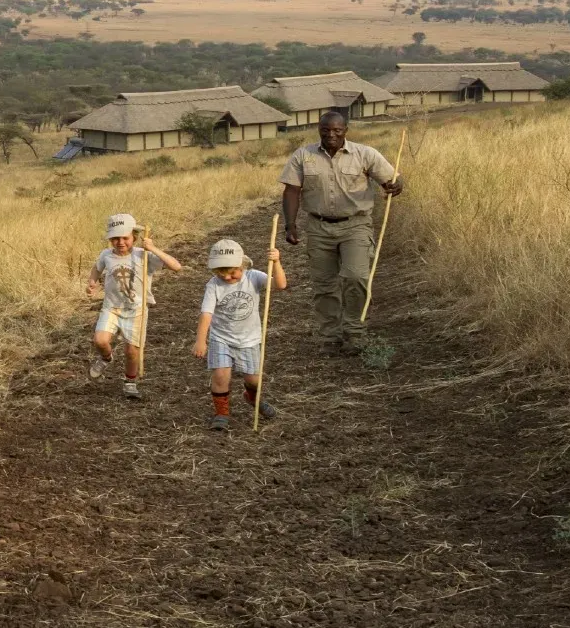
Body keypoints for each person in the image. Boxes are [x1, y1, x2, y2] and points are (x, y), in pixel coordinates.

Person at [278, 111, 403, 352]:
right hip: (318, 227)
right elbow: (292, 190)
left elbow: (392, 179)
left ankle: (354, 332)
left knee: (356, 277)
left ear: (346, 130)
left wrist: (396, 185)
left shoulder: (365, 154)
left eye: (337, 130)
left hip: (356, 224)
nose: (331, 135)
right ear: (319, 129)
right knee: (324, 284)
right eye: (326, 130)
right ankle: (330, 336)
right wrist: (290, 224)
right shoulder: (303, 156)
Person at [86, 213, 183, 400]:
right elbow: (96, 269)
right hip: (111, 307)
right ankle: (106, 358)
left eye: (125, 238)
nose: (120, 242)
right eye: (115, 238)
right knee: (100, 341)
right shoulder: (106, 255)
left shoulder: (143, 255)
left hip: (136, 310)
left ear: (135, 238)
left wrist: (153, 248)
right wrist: (92, 282)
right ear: (110, 240)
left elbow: (176, 266)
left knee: (132, 351)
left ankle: (130, 381)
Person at [194, 239, 287, 431]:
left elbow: (280, 285)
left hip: (249, 339)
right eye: (222, 272)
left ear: (242, 264)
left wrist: (276, 262)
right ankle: (221, 414)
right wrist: (200, 341)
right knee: (220, 376)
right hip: (221, 338)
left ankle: (252, 397)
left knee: (254, 380)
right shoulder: (213, 285)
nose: (227, 277)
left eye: (232, 272)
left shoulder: (253, 277)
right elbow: (206, 314)